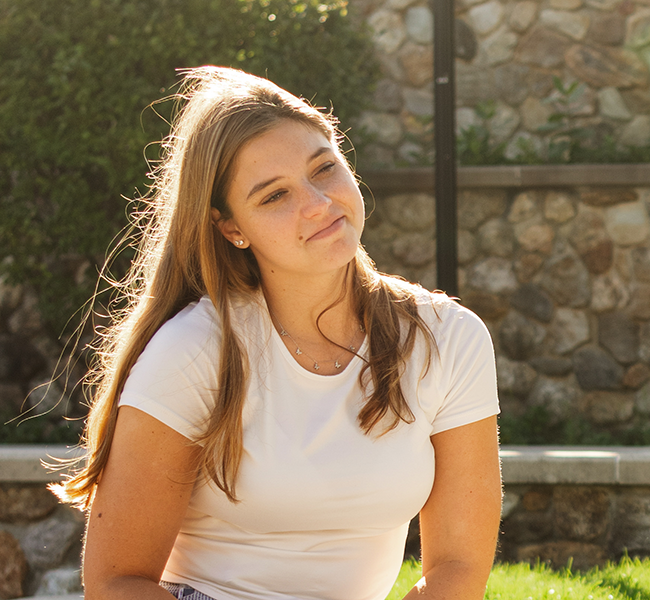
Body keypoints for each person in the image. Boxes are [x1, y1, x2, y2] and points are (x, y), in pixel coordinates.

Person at [54, 67, 502, 600]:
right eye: (274, 196)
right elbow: (115, 582)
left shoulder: (448, 339)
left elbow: (458, 566)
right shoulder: (196, 350)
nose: (317, 202)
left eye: (324, 168)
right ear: (231, 228)